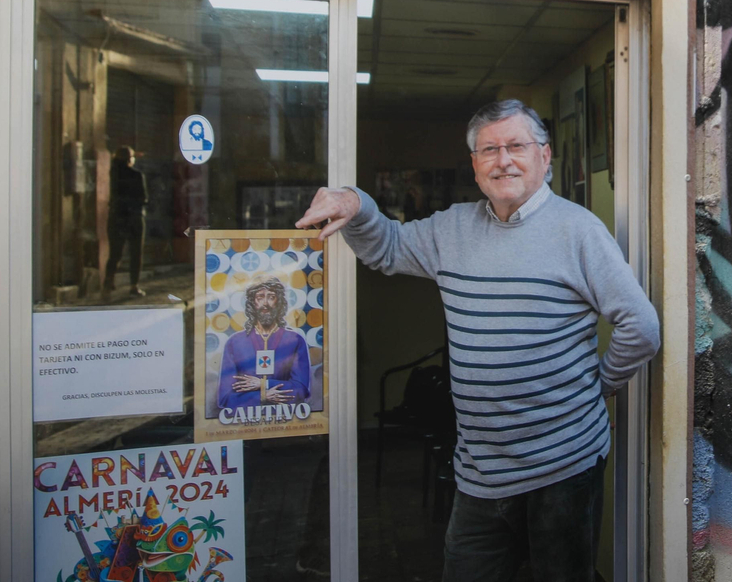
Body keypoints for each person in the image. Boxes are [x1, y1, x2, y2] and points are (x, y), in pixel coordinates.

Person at [295, 99, 660, 582]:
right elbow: (386, 249)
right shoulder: (452, 228)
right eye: (489, 149)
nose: (503, 159)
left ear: (545, 157)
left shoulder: (579, 231)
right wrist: (356, 203)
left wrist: (600, 385)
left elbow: (641, 326)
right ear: (474, 164)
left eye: (516, 146)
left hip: (563, 466)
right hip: (480, 472)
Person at [217, 276, 312, 410]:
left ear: (278, 302)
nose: (265, 303)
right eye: (260, 297)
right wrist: (262, 396)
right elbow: (225, 398)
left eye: (271, 297)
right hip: (244, 424)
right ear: (252, 303)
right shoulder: (235, 342)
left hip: (287, 421)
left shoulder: (294, 340)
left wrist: (264, 384)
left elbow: (301, 390)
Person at [105, 145, 147, 298]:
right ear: (130, 159)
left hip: (116, 217)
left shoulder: (113, 174)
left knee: (114, 253)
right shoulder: (137, 175)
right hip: (134, 218)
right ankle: (134, 286)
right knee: (136, 253)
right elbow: (143, 198)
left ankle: (107, 284)